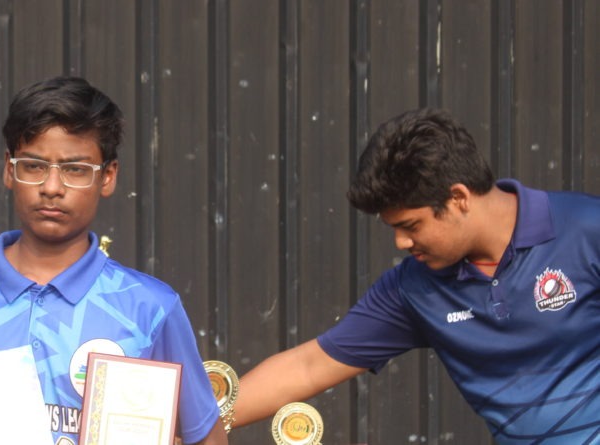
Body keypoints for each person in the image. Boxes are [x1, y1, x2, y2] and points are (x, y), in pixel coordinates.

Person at [231, 108, 600, 443]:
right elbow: (308, 366)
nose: (401, 241)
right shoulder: (413, 288)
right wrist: (193, 426)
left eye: (411, 225)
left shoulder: (587, 229)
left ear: (458, 198)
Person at [0, 76, 228, 445]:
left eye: (75, 169)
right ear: (9, 169)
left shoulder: (149, 308)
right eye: (34, 165)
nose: (52, 187)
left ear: (107, 177)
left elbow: (207, 439)